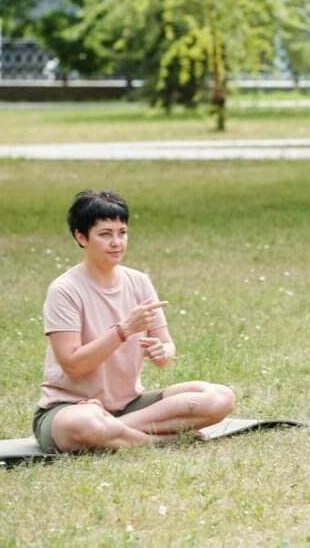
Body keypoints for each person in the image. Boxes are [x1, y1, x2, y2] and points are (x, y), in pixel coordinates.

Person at [33, 190, 235, 453]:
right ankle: (159, 441)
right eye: (105, 234)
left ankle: (114, 431)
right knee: (83, 424)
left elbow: (165, 353)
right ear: (81, 237)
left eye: (122, 232)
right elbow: (74, 366)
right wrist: (124, 330)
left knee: (220, 397)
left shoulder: (139, 282)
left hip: (129, 405)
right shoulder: (64, 290)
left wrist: (163, 351)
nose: (116, 242)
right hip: (71, 408)